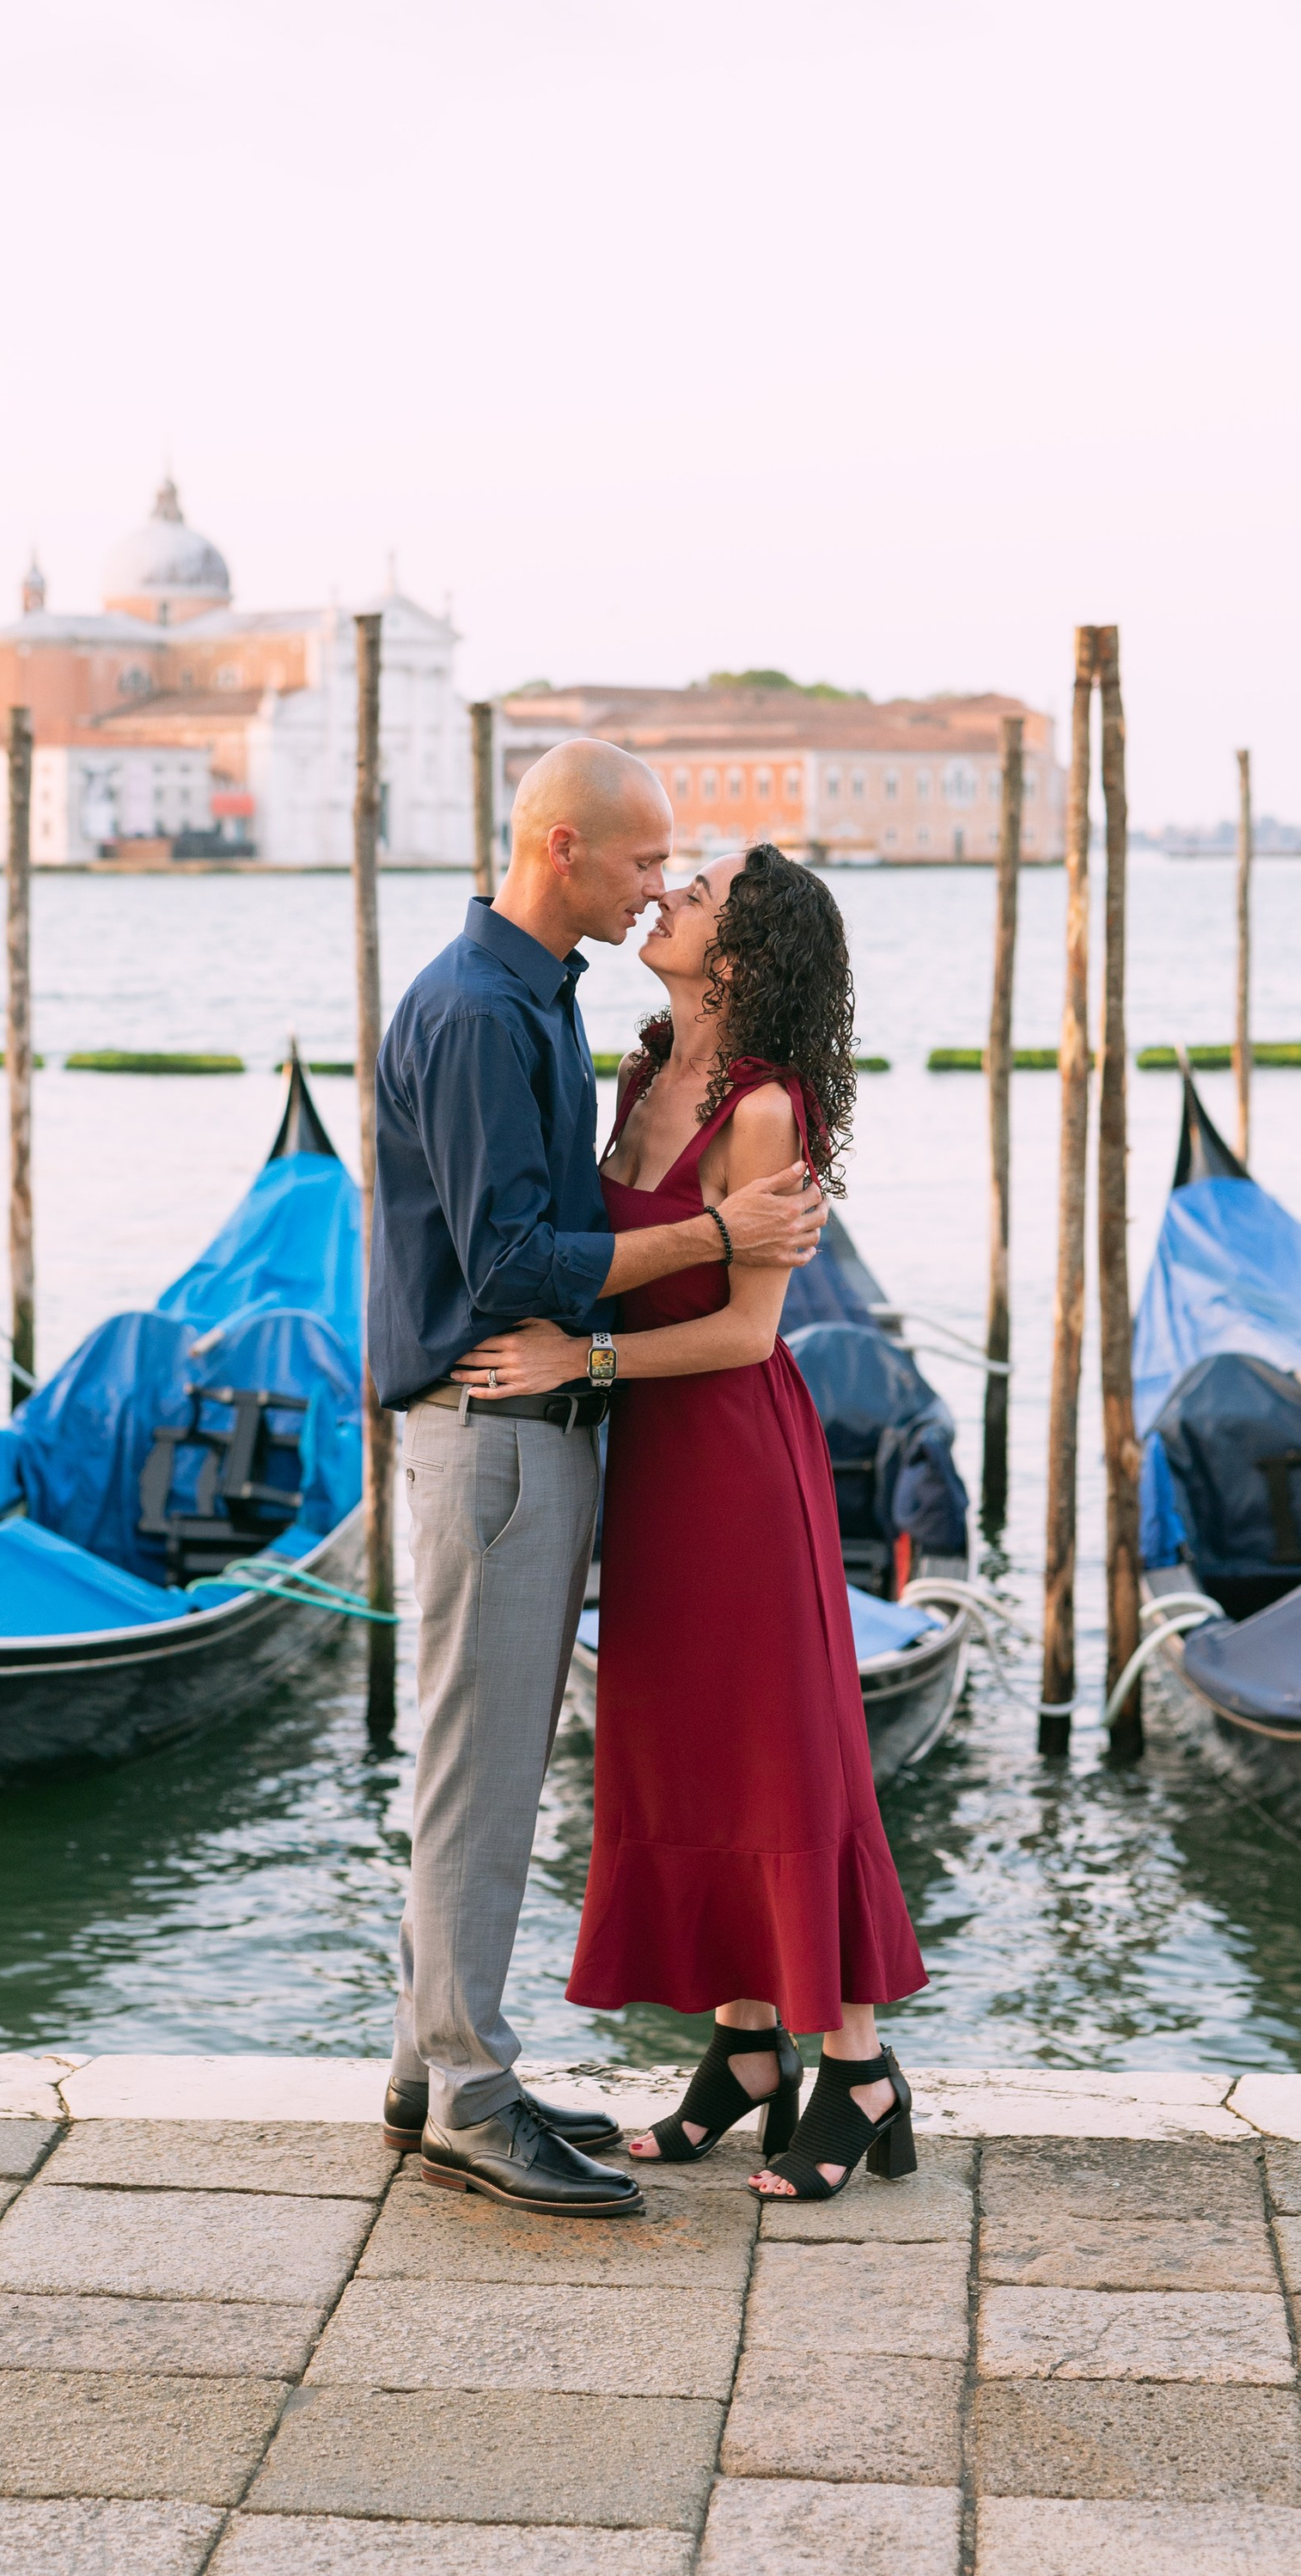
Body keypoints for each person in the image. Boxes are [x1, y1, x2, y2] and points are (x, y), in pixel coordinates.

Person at [370, 743, 829, 2217]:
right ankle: (469, 2091)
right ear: (561, 846)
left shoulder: (533, 1002)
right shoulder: (481, 1012)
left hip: (521, 1420)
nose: (653, 894)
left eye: (671, 878)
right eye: (641, 866)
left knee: (476, 1749)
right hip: (499, 1419)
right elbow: (513, 1265)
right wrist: (716, 1233)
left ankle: (429, 2067)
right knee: (486, 1765)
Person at [457, 842, 926, 2203]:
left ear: (745, 952)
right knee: (684, 1753)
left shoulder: (765, 1111)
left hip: (734, 1461)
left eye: (701, 891)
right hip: (649, 1469)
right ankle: (743, 2057)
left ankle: (859, 2068)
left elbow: (742, 1331)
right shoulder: (642, 1068)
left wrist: (577, 1364)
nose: (667, 895)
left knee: (786, 1757)